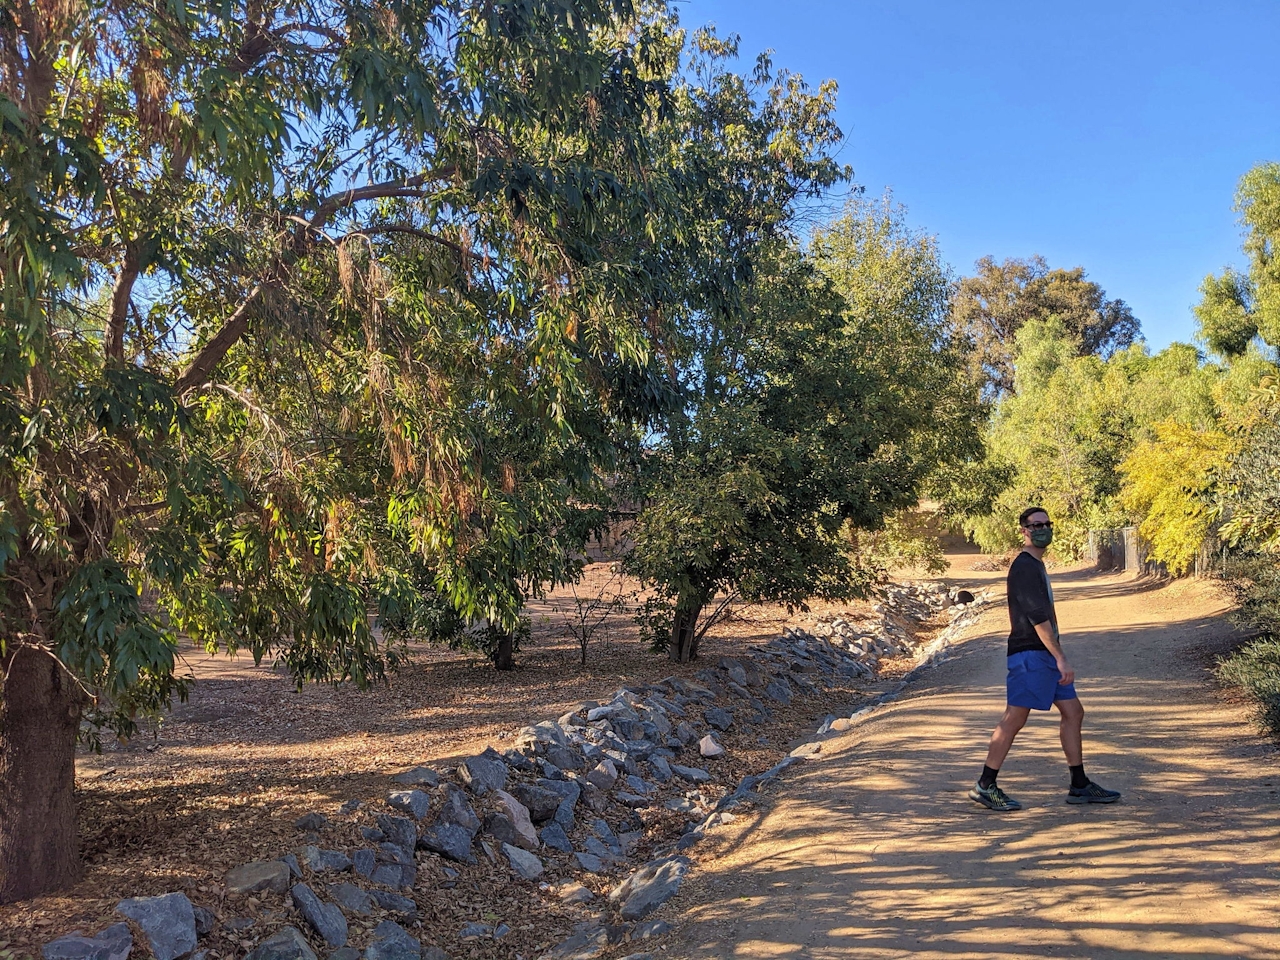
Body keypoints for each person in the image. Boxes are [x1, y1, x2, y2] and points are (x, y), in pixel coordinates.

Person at [968, 506, 1121, 811]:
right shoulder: (1024, 567)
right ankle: (985, 785)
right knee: (1015, 718)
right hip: (1031, 654)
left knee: (1073, 712)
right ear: (1023, 530)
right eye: (1036, 525)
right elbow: (1038, 618)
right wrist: (1060, 658)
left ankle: (1079, 785)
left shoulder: (1037, 565)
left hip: (1044, 655)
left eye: (1047, 524)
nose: (1043, 529)